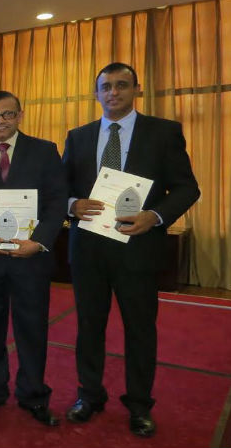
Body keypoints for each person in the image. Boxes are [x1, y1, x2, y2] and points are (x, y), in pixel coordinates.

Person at [62, 62, 200, 437]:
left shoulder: (164, 132)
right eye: (106, 86)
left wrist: (154, 216)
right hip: (89, 250)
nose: (113, 93)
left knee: (140, 330)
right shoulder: (79, 136)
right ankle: (89, 396)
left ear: (136, 89)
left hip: (138, 250)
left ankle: (139, 405)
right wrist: (72, 205)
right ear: (96, 93)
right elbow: (61, 188)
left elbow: (187, 188)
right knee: (89, 328)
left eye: (122, 85)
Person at [0, 90, 67, 426]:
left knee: (32, 328)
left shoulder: (45, 151)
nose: (1, 121)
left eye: (8, 114)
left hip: (31, 259)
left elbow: (56, 202)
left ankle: (33, 394)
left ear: (21, 115)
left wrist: (38, 242)